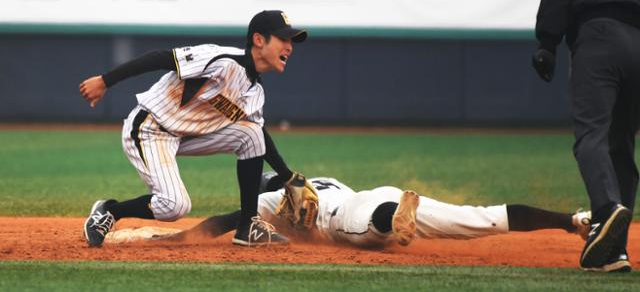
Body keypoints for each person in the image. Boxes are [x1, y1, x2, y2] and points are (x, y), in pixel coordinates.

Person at [79, 10, 312, 247]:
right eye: (283, 39)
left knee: (252, 133)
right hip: (150, 128)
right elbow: (160, 58)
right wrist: (106, 81)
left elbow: (259, 137)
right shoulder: (222, 60)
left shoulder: (255, 93)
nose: (289, 47)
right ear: (259, 40)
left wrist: (288, 177)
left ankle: (247, 226)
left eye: (291, 41)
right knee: (174, 205)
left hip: (184, 136)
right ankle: (109, 211)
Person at [532, 0, 640, 272]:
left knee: (592, 135)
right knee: (621, 147)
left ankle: (607, 210)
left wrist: (547, 43)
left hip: (602, 38)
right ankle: (615, 253)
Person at [128, 173, 591, 251]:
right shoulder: (316, 181)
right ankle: (573, 221)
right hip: (375, 193)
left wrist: (173, 240)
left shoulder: (269, 202)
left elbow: (224, 223)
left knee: (364, 229)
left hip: (349, 215)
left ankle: (395, 219)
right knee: (478, 218)